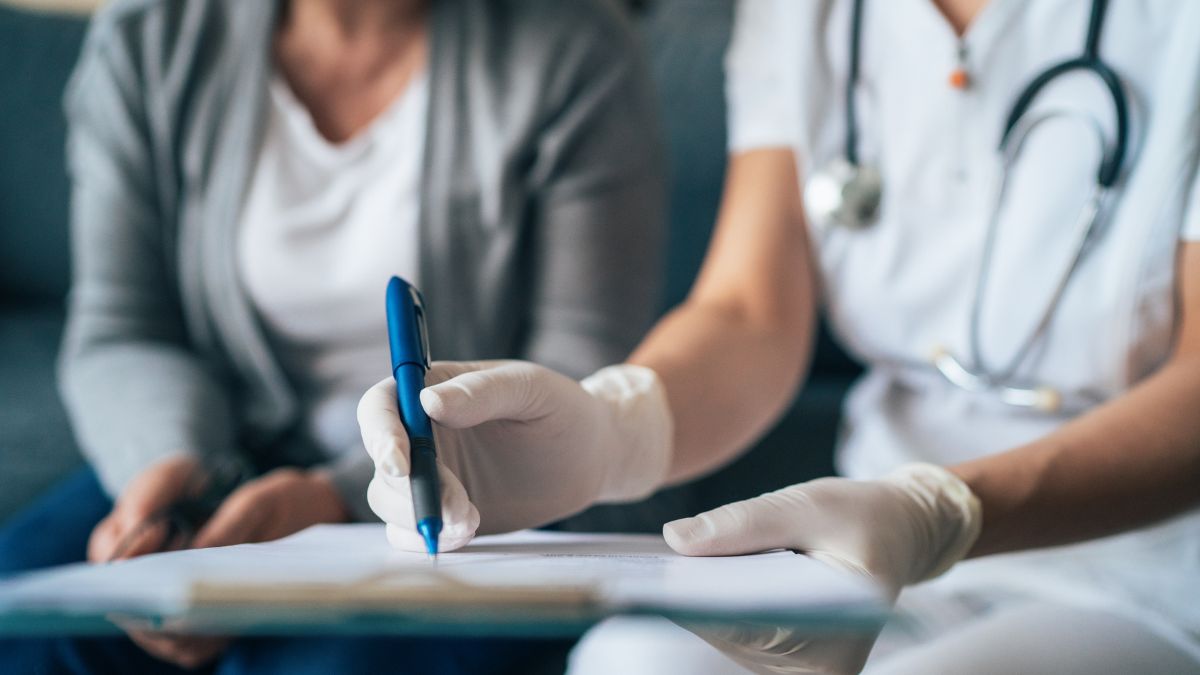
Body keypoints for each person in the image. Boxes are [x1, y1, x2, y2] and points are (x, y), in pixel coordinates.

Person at [358, 0, 1200, 672]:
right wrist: (613, 427)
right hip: (865, 551)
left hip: (1130, 570)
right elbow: (750, 314)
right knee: (632, 659)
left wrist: (940, 510)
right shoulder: (803, 12)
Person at [0, 0, 664, 672]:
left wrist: (338, 500)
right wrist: (173, 465)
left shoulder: (574, 48)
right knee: (22, 617)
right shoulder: (150, 37)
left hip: (470, 484)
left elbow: (579, 366)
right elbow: (124, 324)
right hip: (224, 455)